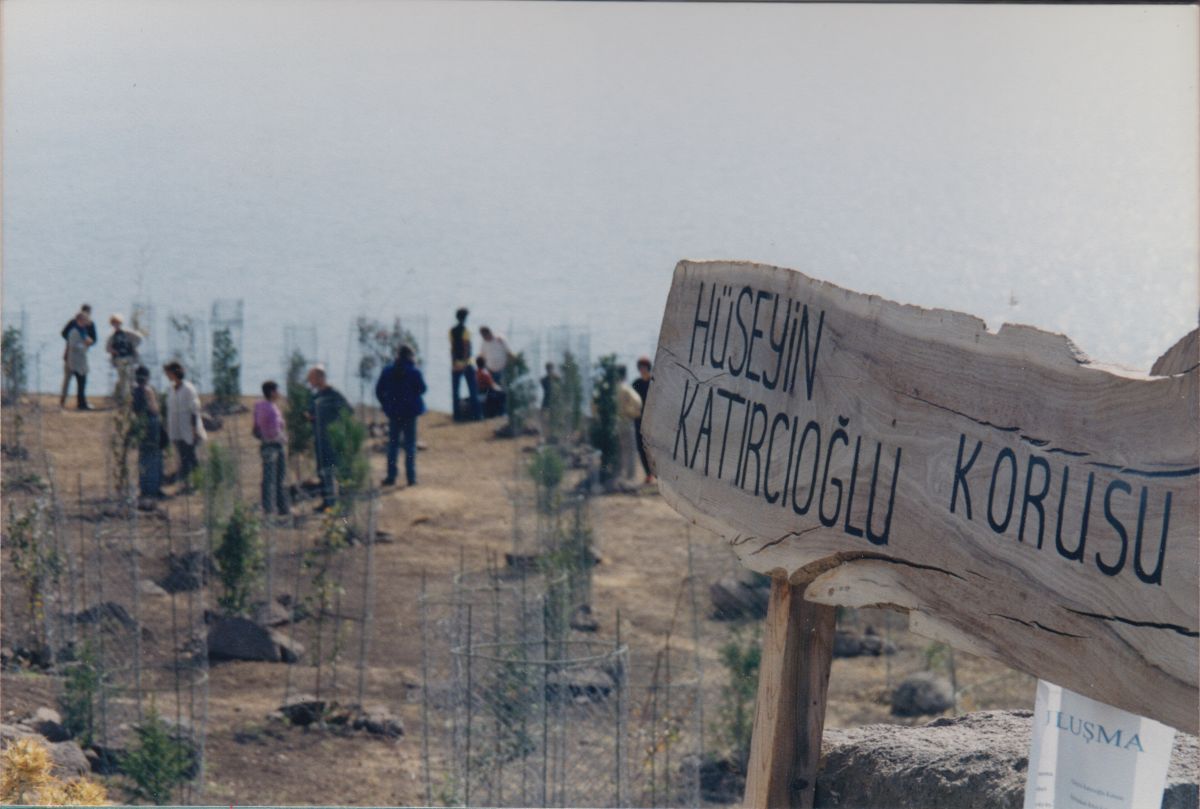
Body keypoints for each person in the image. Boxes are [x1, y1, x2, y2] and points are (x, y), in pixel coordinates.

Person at [375, 344, 427, 487]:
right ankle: (411, 478)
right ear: (410, 356)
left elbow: (379, 390)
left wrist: (386, 404)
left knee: (393, 445)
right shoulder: (414, 372)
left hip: (394, 412)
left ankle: (391, 476)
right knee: (410, 445)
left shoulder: (387, 371)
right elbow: (422, 389)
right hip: (410, 413)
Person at [307, 365, 352, 512]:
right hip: (320, 441)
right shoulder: (315, 396)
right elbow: (311, 414)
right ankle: (328, 503)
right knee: (323, 472)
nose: (309, 381)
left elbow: (348, 411)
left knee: (338, 471)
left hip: (333, 440)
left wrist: (336, 427)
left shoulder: (334, 394)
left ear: (320, 378)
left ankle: (345, 504)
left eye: (312, 377)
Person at [164, 361, 206, 490]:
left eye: (168, 372)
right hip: (176, 428)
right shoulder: (171, 389)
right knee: (182, 456)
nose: (167, 375)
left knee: (191, 456)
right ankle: (186, 484)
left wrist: (194, 429)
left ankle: (196, 483)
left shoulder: (188, 389)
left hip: (188, 427)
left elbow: (194, 409)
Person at [253, 380, 290, 516]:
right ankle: (280, 508)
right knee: (278, 478)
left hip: (265, 445)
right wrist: (283, 439)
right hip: (275, 445)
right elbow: (274, 431)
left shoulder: (259, 406)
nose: (279, 393)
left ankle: (269, 507)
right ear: (272, 392)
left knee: (268, 478)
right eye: (277, 391)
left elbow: (256, 427)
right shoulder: (271, 409)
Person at [131, 365, 165, 504]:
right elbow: (154, 409)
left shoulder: (133, 391)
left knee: (143, 457)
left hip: (140, 424)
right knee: (155, 457)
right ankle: (154, 488)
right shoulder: (147, 390)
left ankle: (145, 487)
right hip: (151, 425)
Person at [449, 307, 482, 421]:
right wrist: (464, 362)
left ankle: (457, 415)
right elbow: (466, 347)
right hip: (467, 363)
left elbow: (453, 348)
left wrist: (454, 363)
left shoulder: (451, 331)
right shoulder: (466, 331)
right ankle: (476, 415)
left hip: (456, 363)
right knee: (473, 389)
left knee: (455, 391)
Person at [61, 305, 96, 407]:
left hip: (81, 357)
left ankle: (81, 402)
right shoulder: (73, 328)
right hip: (73, 357)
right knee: (69, 379)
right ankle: (64, 401)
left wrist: (87, 342)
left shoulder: (87, 327)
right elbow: (68, 337)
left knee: (81, 380)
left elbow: (93, 339)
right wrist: (82, 343)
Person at [106, 314, 142, 406]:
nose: (116, 325)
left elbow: (139, 338)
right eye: (114, 323)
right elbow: (107, 348)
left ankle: (133, 398)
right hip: (119, 359)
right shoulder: (112, 336)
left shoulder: (127, 333)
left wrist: (133, 346)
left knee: (131, 377)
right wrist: (113, 351)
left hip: (129, 357)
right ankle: (122, 399)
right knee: (123, 379)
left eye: (118, 323)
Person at [616, 364, 643, 483]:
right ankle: (630, 477)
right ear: (625, 374)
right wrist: (633, 413)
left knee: (618, 450)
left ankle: (619, 475)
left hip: (614, 424)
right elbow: (637, 402)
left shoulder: (611, 388)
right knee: (630, 450)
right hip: (626, 421)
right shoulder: (626, 388)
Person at [631, 356, 654, 483]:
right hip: (639, 419)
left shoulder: (654, 382)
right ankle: (648, 474)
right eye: (641, 368)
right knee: (641, 447)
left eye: (644, 367)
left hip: (653, 419)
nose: (642, 370)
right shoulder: (636, 383)